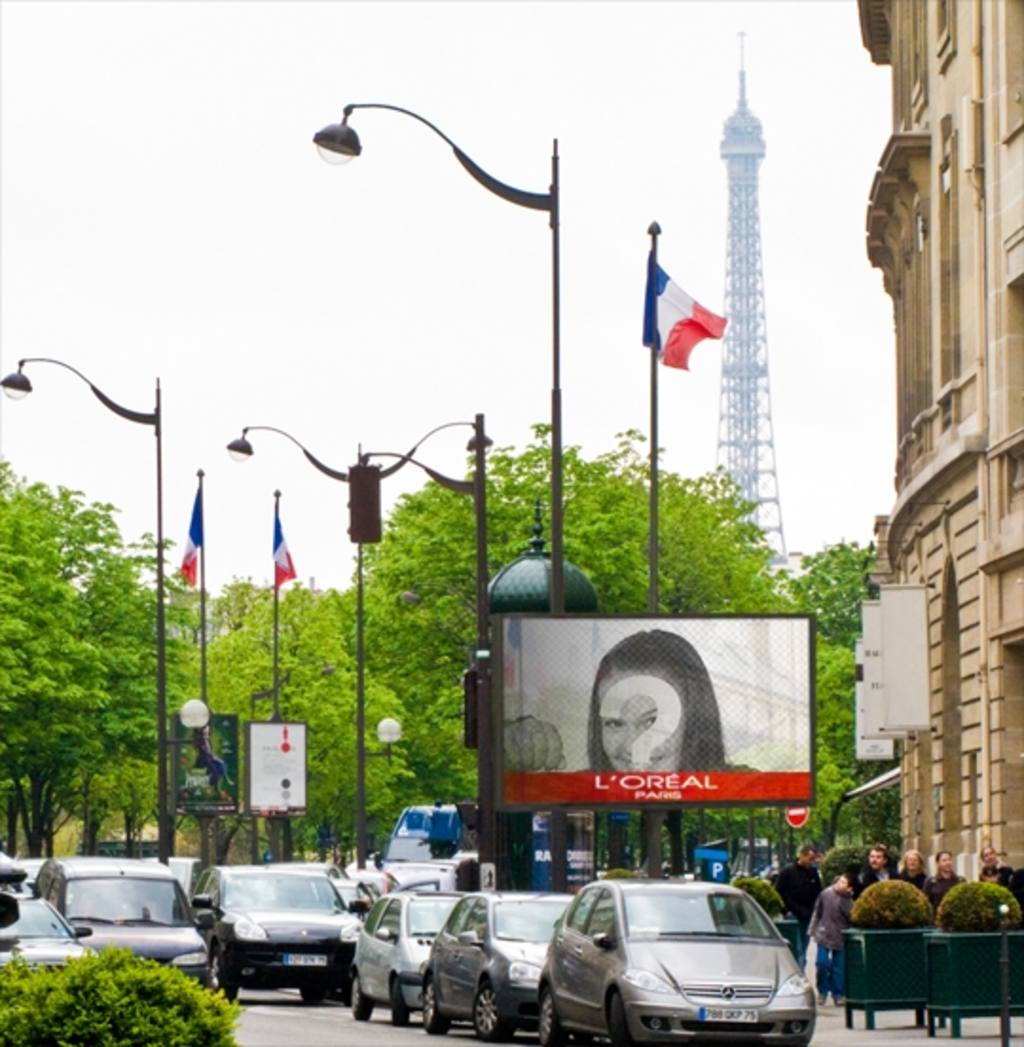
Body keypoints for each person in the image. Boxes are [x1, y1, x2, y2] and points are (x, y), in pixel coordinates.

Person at [587, 629, 726, 771]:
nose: (632, 746)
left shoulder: (742, 789)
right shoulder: (572, 789)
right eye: (615, 723)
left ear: (695, 722)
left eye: (652, 721)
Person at [808, 872, 854, 1006]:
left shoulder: (848, 899)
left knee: (838, 967)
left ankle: (838, 993)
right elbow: (817, 911)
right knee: (822, 963)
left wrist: (846, 898)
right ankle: (822, 991)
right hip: (824, 933)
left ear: (849, 887)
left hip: (840, 934)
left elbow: (850, 916)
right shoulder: (826, 894)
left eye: (844, 883)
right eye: (840, 881)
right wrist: (812, 929)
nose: (841, 885)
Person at [775, 844, 822, 970]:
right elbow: (778, 892)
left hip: (807, 915)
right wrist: (785, 910)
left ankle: (800, 970)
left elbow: (817, 892)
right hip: (793, 915)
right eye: (810, 858)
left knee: (804, 946)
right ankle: (799, 972)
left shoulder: (813, 873)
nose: (811, 862)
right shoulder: (787, 872)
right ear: (801, 856)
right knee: (797, 947)